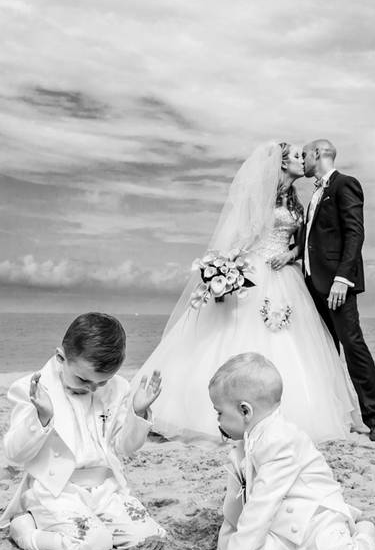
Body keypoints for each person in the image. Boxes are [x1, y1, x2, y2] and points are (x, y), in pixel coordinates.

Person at [135, 142, 361, 443]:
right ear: (280, 165)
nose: (301, 161)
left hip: (286, 275)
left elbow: (302, 241)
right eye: (295, 156)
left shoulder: (297, 199)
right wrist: (226, 267)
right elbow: (245, 235)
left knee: (291, 340)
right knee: (238, 333)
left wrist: (291, 254)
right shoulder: (261, 199)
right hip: (256, 270)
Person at [197, 353, 375, 550]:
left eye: (219, 413)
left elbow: (263, 502)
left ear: (244, 411)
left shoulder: (279, 440)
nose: (217, 420)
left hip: (314, 517)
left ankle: (365, 529)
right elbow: (238, 502)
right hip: (283, 521)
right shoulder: (247, 441)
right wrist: (229, 545)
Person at [0, 312, 166, 550]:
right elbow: (14, 453)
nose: (92, 388)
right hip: (58, 491)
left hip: (106, 488)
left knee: (150, 537)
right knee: (92, 544)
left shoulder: (118, 388)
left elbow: (124, 447)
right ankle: (26, 530)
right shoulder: (31, 390)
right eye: (83, 380)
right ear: (61, 357)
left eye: (102, 382)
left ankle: (96, 522)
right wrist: (41, 417)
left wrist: (138, 412)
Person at [300, 139, 375, 442]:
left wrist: (343, 278)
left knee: (353, 347)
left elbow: (355, 233)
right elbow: (311, 238)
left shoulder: (345, 185)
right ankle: (333, 414)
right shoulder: (314, 192)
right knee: (324, 351)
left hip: (337, 286)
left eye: (305, 155)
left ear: (318, 154)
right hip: (312, 284)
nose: (302, 160)